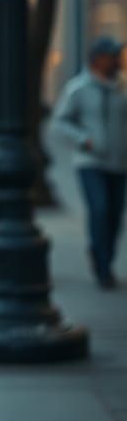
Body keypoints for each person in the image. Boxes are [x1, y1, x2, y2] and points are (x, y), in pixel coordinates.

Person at [52, 36, 127, 290]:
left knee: (115, 216)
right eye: (113, 56)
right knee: (100, 209)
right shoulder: (78, 88)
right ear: (98, 60)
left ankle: (106, 258)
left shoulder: (122, 88)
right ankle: (102, 265)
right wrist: (83, 139)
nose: (117, 61)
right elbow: (60, 121)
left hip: (119, 163)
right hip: (90, 162)